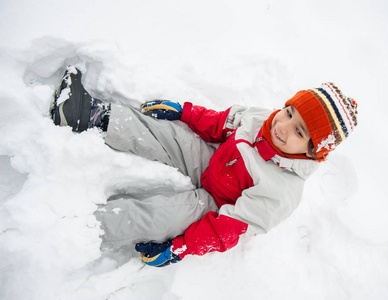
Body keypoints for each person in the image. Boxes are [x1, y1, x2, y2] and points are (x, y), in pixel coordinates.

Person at [51, 66, 358, 267]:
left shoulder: (283, 192)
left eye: (300, 131)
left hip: (216, 205)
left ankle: (78, 230)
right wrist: (185, 113)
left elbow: (228, 229)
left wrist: (180, 248)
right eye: (289, 112)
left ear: (312, 151)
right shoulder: (262, 118)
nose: (283, 125)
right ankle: (88, 115)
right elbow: (221, 122)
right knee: (170, 137)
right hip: (212, 159)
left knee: (160, 217)